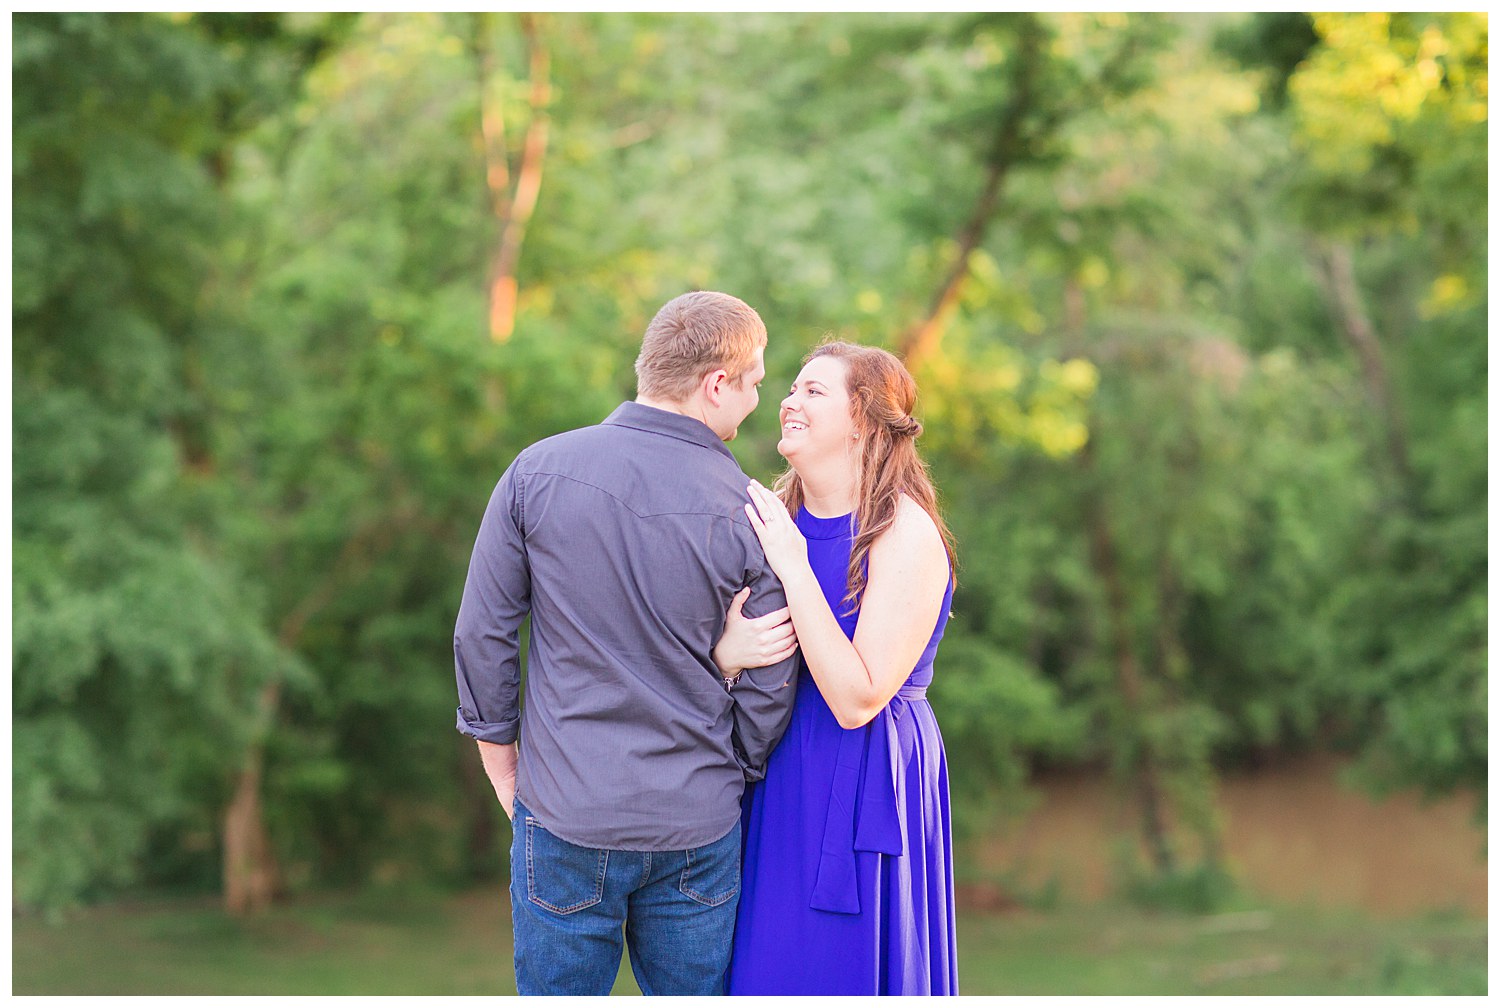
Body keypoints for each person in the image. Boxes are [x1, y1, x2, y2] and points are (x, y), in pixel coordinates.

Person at [452, 291, 801, 996]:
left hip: (563, 812)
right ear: (715, 384)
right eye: (756, 382)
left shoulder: (536, 472)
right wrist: (727, 767)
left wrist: (505, 774)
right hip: (696, 826)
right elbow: (769, 674)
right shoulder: (754, 512)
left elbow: (482, 633)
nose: (758, 399)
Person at [714, 340, 960, 995]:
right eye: (791, 388)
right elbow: (712, 658)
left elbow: (858, 698)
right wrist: (726, 657)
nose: (789, 401)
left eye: (813, 391)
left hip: (863, 781)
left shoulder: (902, 533)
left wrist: (794, 567)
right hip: (774, 777)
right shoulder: (772, 518)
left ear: (864, 419)